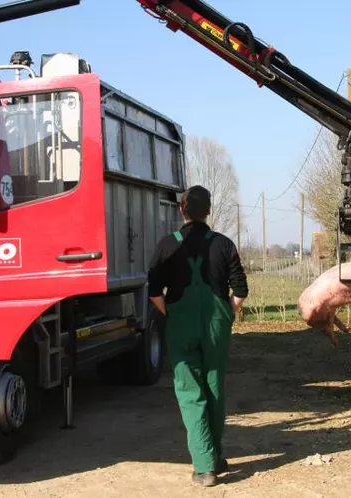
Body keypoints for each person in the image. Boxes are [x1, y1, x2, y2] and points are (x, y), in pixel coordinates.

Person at [147, 185, 248, 487]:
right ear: (209, 211)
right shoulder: (224, 244)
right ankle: (215, 456)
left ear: (182, 210)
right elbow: (240, 290)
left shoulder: (167, 245)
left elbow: (153, 289)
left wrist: (170, 313)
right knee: (214, 386)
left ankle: (204, 468)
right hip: (217, 323)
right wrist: (227, 312)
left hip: (181, 322)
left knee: (191, 392)